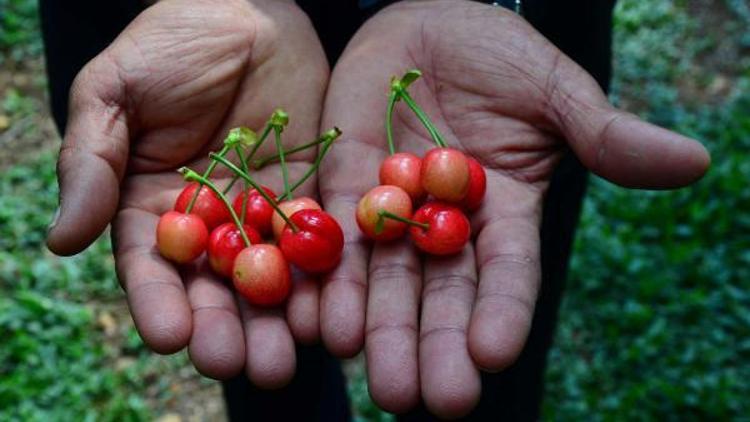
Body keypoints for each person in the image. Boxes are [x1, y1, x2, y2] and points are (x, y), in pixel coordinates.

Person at [40, 0, 710, 420]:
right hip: (202, 53)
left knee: (479, 319)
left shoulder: (428, 186)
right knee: (267, 353)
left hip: (484, 54)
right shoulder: (245, 229)